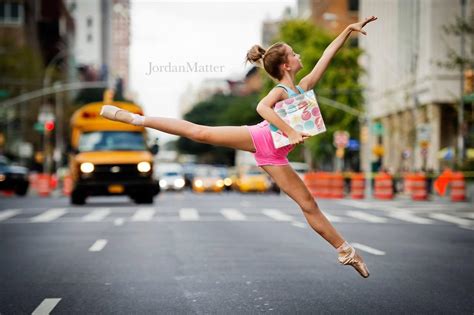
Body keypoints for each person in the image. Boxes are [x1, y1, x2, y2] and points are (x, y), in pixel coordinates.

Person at [100, 15, 378, 278]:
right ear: (286, 65)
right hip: (262, 140)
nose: (300, 56)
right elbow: (262, 107)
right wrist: (290, 130)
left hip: (274, 152)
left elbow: (327, 56)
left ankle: (346, 252)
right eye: (294, 54)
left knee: (309, 205)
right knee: (200, 132)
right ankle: (136, 118)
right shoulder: (279, 90)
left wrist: (347, 30)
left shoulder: (303, 86)